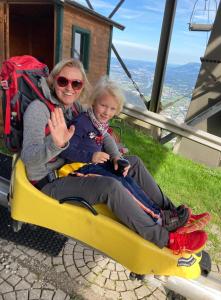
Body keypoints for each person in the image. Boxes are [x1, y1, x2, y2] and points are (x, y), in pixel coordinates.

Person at [21, 58, 208, 254]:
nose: (69, 88)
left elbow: (103, 133)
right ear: (53, 80)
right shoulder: (38, 109)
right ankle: (168, 239)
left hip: (73, 166)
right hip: (49, 180)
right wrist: (56, 144)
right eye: (63, 81)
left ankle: (174, 216)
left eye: (76, 83)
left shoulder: (75, 107)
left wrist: (117, 156)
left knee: (132, 162)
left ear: (82, 87)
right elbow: (29, 158)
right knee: (110, 186)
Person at [59, 76, 210, 233]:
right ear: (93, 101)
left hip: (95, 166)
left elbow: (105, 138)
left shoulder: (99, 123)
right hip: (80, 169)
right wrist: (91, 156)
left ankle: (169, 213)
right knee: (120, 185)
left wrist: (116, 157)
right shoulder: (82, 122)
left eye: (112, 109)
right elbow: (67, 150)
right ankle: (159, 219)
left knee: (127, 179)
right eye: (103, 106)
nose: (107, 112)